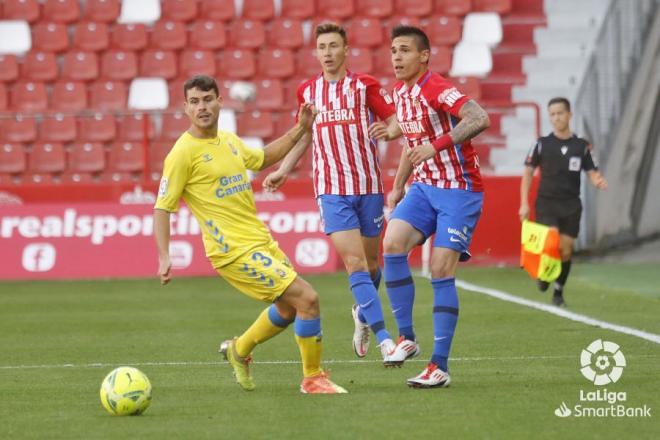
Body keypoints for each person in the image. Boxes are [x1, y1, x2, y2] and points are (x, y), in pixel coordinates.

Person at [153, 75, 347, 394]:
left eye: (207, 99)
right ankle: (313, 378)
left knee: (288, 308)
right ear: (185, 108)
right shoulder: (181, 153)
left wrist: (301, 127)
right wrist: (164, 255)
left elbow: (263, 158)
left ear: (219, 102)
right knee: (308, 298)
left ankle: (238, 350)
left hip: (260, 240)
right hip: (232, 251)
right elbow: (162, 207)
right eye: (195, 101)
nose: (202, 107)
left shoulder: (228, 140)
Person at [263, 23, 404, 365]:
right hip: (331, 191)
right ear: (316, 52)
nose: (326, 53)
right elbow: (304, 135)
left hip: (368, 186)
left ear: (345, 50)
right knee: (354, 262)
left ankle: (361, 312)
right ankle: (386, 340)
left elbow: (398, 119)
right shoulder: (308, 92)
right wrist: (284, 169)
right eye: (321, 47)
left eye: (332, 46)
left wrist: (389, 130)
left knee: (371, 266)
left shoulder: (363, 86)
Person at [369, 26, 490, 388]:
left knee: (439, 269)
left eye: (404, 50)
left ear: (424, 56)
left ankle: (440, 365)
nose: (396, 57)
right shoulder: (400, 92)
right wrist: (397, 185)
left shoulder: (435, 87)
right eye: (393, 51)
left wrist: (435, 147)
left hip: (459, 189)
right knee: (391, 245)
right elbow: (411, 142)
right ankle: (407, 338)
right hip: (423, 187)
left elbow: (479, 118)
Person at [519, 97, 607, 306]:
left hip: (571, 205)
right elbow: (528, 173)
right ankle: (544, 274)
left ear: (569, 114)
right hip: (547, 202)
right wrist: (524, 202)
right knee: (552, 239)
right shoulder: (541, 144)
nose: (556, 118)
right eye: (552, 114)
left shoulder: (582, 146)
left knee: (566, 250)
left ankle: (558, 291)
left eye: (560, 113)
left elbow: (592, 171)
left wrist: (598, 180)